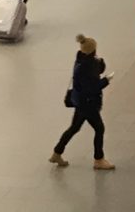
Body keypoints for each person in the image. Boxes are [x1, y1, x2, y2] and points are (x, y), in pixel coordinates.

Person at [50, 34, 115, 170]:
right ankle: (99, 159)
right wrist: (106, 80)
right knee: (99, 128)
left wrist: (98, 63)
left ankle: (57, 152)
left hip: (80, 102)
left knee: (74, 128)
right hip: (89, 103)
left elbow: (97, 70)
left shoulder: (80, 60)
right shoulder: (89, 66)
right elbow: (93, 87)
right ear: (93, 50)